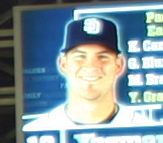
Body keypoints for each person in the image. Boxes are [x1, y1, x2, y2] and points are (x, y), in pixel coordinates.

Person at [23, 15, 154, 130]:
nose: (91, 66)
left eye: (103, 57)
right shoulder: (37, 130)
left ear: (119, 65)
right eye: (80, 57)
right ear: (63, 64)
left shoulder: (148, 131)